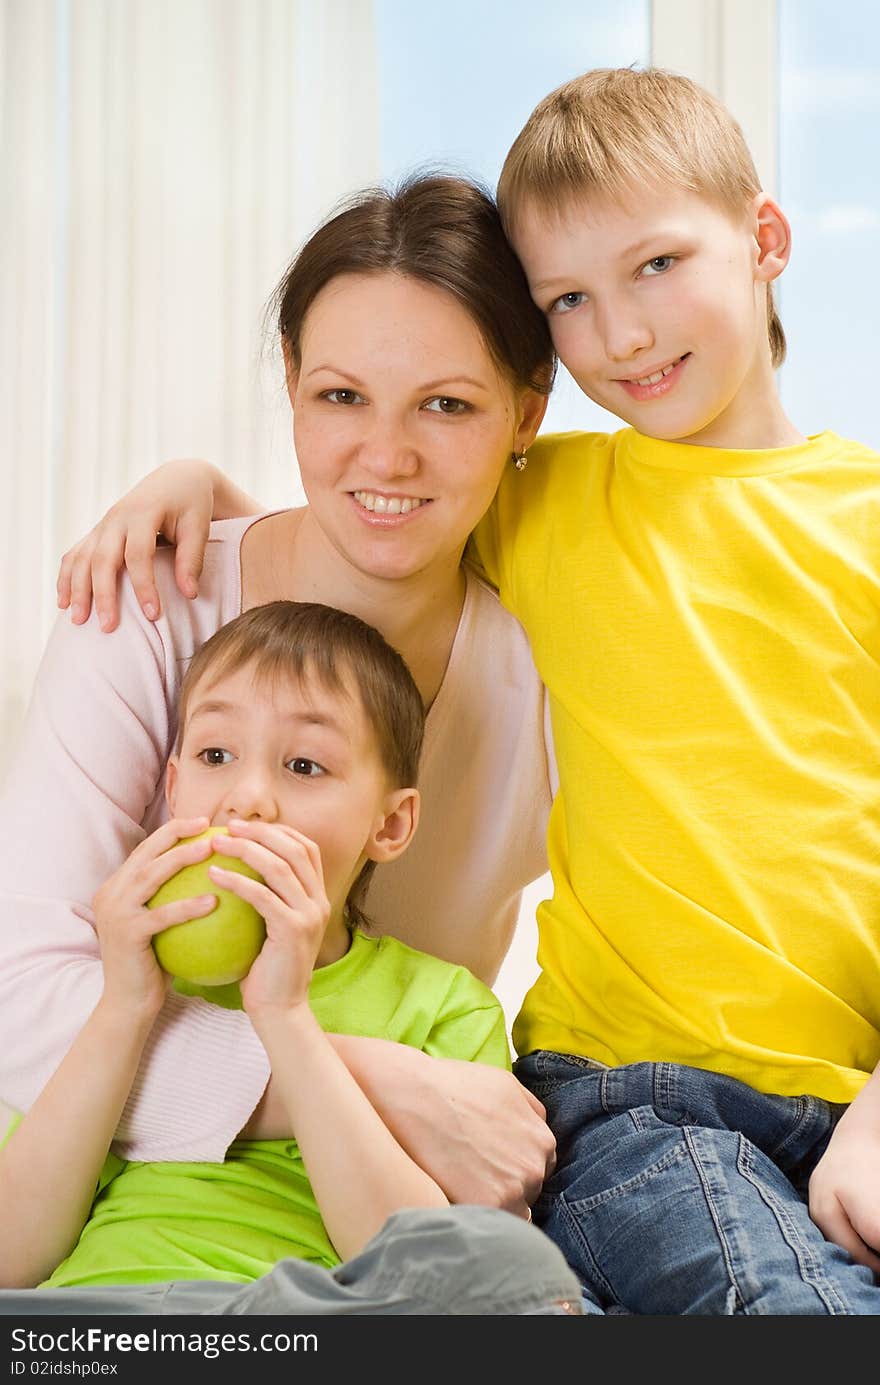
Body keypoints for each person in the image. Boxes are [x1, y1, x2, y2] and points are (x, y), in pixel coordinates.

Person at [67, 68, 880, 1315]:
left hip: (855, 1085)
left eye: (657, 264)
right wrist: (195, 487)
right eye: (570, 298)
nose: (624, 331)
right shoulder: (554, 497)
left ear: (765, 239)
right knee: (792, 1311)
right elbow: (374, 500)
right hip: (634, 1090)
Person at [0, 175, 559, 1218]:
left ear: (526, 412)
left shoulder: (549, 666)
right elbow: (20, 1004)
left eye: (446, 403)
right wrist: (371, 1077)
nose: (385, 455)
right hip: (151, 1179)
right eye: (341, 395)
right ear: (293, 381)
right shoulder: (145, 597)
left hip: (384, 1199)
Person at [0, 600, 582, 1316]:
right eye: (217, 756)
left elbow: (419, 1260)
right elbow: (12, 1252)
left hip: (308, 1316)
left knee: (520, 1269)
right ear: (175, 787)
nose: (247, 799)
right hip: (104, 1312)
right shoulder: (119, 982)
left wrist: (285, 1015)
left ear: (390, 823)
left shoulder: (441, 1002)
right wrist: (124, 1005)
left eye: (304, 764)